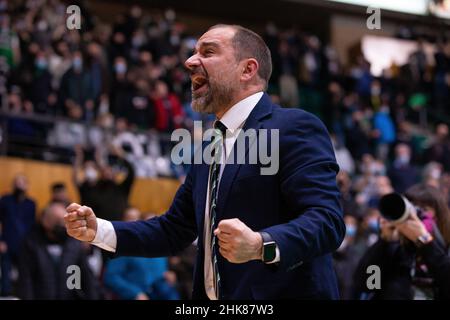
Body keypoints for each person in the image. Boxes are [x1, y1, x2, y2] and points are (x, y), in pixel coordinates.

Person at [65, 24, 345, 300]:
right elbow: (173, 229)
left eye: (208, 52)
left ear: (247, 70)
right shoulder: (209, 145)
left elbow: (327, 221)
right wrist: (99, 230)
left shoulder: (294, 126)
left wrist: (262, 245)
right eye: (193, 53)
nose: (189, 62)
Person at [353, 184, 450, 299]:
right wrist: (383, 242)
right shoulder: (394, 248)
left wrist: (425, 242)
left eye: (424, 209)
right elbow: (367, 285)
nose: (414, 216)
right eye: (412, 208)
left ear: (439, 215)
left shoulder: (446, 249)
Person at [17, 202, 101, 300]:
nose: (62, 225)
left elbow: (87, 279)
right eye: (57, 221)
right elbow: (26, 281)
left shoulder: (75, 245)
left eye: (63, 222)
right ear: (45, 221)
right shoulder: (31, 244)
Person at [103, 208, 180, 300]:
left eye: (157, 226)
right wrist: (135, 293)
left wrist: (169, 276)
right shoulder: (124, 247)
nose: (154, 230)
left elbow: (160, 274)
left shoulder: (162, 248)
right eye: (150, 225)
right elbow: (111, 277)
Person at [0, 174, 36, 296]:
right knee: (6, 271)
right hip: (7, 242)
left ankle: (23, 294)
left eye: (22, 182)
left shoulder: (31, 204)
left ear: (27, 185)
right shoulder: (5, 200)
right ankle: (5, 294)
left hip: (24, 244)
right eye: (17, 182)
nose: (19, 185)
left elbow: (32, 225)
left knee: (24, 272)